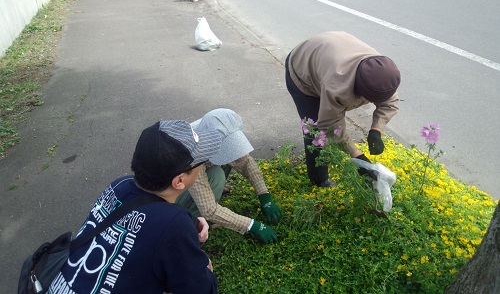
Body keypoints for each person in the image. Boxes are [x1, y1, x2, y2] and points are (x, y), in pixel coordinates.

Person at [47, 120, 221, 293]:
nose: (203, 166)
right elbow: (202, 290)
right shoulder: (173, 225)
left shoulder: (119, 185)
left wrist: (193, 223)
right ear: (179, 181)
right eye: (200, 162)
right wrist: (205, 265)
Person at [285, 31, 401, 187]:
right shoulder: (337, 86)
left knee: (330, 114)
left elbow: (390, 102)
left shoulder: (381, 72)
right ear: (359, 92)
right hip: (301, 68)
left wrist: (376, 130)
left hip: (329, 52)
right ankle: (319, 179)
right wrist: (357, 156)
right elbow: (330, 125)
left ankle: (327, 161)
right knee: (316, 131)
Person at [176, 109, 282, 244]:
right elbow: (209, 210)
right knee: (216, 175)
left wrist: (264, 196)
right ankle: (191, 223)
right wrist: (252, 226)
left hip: (179, 182)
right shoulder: (191, 156)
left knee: (230, 156)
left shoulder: (212, 128)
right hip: (166, 201)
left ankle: (213, 189)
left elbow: (245, 162)